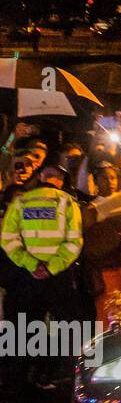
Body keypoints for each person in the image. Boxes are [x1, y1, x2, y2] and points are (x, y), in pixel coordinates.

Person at [1, 163, 85, 389]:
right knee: (68, 329)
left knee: (21, 330)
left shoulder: (21, 201)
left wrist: (31, 264)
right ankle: (68, 380)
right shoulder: (68, 203)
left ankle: (16, 383)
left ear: (40, 176)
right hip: (58, 277)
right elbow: (74, 242)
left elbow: (8, 240)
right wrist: (51, 267)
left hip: (26, 277)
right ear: (60, 180)